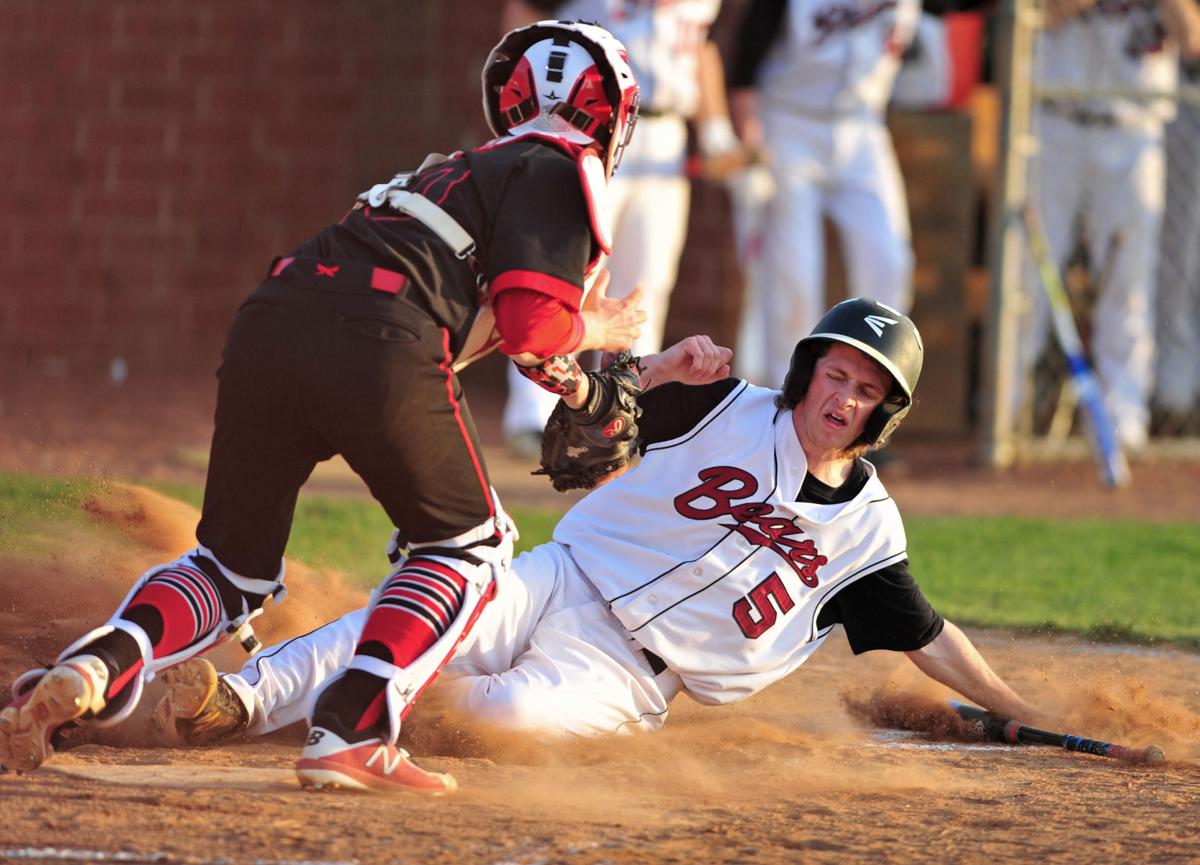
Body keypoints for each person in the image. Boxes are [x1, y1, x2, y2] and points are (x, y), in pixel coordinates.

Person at [0, 20, 646, 782]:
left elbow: (489, 335)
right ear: (612, 112)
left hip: (273, 317)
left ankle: (99, 662)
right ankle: (352, 727)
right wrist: (596, 326)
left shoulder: (456, 170)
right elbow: (533, 329)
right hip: (378, 332)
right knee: (468, 546)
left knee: (231, 567)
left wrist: (601, 357)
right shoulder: (562, 166)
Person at [155, 299, 1044, 796]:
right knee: (432, 609)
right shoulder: (723, 404)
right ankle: (231, 700)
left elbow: (928, 634)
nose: (842, 397)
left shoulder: (866, 534)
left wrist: (1014, 706)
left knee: (500, 716)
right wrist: (656, 373)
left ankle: (376, 703)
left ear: (884, 413)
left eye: (865, 389)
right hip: (558, 576)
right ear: (810, 369)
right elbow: (571, 444)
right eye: (835, 374)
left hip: (628, 674)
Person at [499, 0, 739, 456]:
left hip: (665, 135)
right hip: (591, 124)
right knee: (566, 269)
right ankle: (533, 415)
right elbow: (524, 18)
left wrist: (716, 132)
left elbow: (701, 46)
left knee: (647, 281)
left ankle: (620, 408)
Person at [1016, 0, 1200, 450]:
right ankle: (1007, 411)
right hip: (1055, 119)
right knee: (1028, 281)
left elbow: (1192, 42)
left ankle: (1124, 419)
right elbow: (1037, 16)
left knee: (1129, 284)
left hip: (1134, 129)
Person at [726, 0, 919, 388]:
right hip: (788, 121)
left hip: (864, 127)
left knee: (890, 262)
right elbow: (744, 58)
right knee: (793, 277)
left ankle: (873, 398)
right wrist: (748, 138)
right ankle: (786, 401)